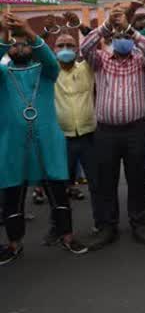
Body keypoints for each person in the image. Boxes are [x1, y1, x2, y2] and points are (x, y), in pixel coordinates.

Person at [0, 13, 88, 264]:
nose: (20, 46)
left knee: (58, 191)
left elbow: (50, 60)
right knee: (12, 196)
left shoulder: (45, 71)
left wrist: (28, 31)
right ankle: (14, 243)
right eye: (15, 44)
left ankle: (67, 236)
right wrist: (4, 37)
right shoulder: (3, 73)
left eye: (24, 42)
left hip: (47, 142)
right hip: (12, 144)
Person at [80, 5, 145, 249]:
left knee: (138, 178)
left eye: (125, 37)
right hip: (106, 131)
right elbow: (85, 47)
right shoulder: (101, 60)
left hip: (135, 130)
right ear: (111, 40)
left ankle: (140, 222)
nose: (122, 40)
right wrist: (107, 25)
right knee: (107, 180)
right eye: (118, 37)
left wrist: (129, 29)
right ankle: (107, 226)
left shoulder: (140, 62)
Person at [52, 29, 97, 207]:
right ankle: (63, 229)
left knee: (96, 183)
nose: (65, 49)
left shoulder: (87, 67)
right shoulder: (49, 71)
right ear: (53, 50)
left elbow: (94, 47)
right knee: (59, 186)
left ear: (77, 49)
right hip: (60, 138)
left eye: (70, 45)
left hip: (89, 136)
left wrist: (85, 30)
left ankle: (102, 224)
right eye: (61, 45)